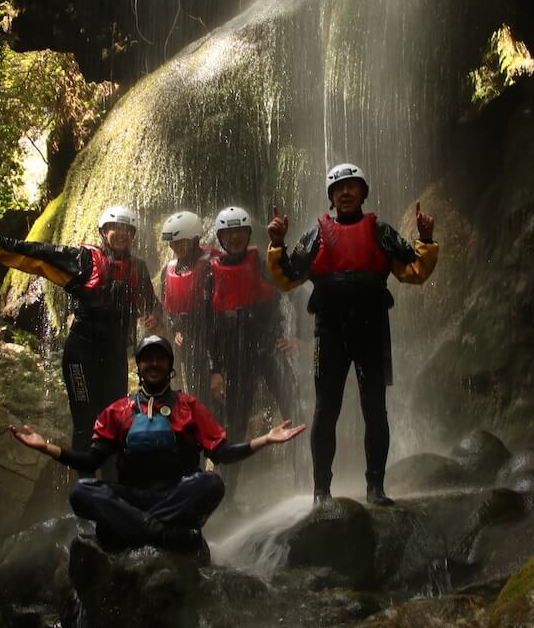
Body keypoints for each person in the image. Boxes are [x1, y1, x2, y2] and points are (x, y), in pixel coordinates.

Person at [10, 334, 306, 559]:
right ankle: (162, 533)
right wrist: (45, 447)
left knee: (211, 483)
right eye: (146, 359)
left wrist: (265, 439)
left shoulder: (189, 406)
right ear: (138, 365)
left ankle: (134, 531)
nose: (153, 364)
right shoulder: (117, 411)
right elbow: (90, 462)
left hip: (175, 495)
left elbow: (222, 454)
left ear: (170, 367)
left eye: (160, 359)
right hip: (133, 499)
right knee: (81, 492)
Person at [266, 163, 437, 506]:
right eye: (338, 188)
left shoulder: (381, 232)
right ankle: (321, 492)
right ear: (331, 198)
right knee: (325, 411)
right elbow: (286, 278)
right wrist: (277, 244)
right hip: (329, 331)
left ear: (362, 193)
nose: (345, 192)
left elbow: (414, 271)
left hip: (372, 329)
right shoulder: (316, 234)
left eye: (352, 186)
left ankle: (375, 487)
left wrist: (426, 240)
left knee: (376, 410)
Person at [0, 205, 158, 452]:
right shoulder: (84, 259)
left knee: (116, 422)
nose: (121, 233)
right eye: (114, 228)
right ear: (103, 231)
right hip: (81, 354)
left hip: (114, 354)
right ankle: (85, 483)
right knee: (86, 422)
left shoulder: (138, 269)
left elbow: (152, 306)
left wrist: (153, 317)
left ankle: (112, 483)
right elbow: (42, 252)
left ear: (132, 234)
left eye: (126, 229)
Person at [208, 205, 300, 493]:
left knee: (294, 407)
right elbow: (210, 326)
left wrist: (300, 338)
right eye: (228, 233)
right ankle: (229, 492)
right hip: (237, 357)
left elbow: (295, 288)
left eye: (239, 232)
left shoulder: (262, 262)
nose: (234, 238)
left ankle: (306, 477)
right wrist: (215, 369)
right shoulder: (212, 273)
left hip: (268, 350)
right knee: (235, 423)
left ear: (248, 234)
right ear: (220, 238)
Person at [158, 210, 214, 399]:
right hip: (189, 338)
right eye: (174, 242)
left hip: (214, 334)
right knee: (197, 391)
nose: (177, 246)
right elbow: (168, 308)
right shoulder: (169, 269)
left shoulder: (214, 264)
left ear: (195, 238)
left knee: (218, 392)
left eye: (182, 241)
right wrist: (175, 330)